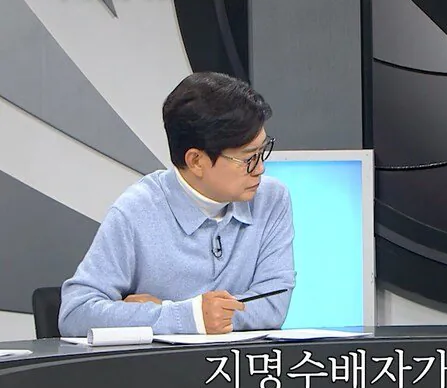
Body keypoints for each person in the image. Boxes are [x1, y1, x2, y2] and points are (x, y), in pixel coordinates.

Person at [58, 72, 297, 337]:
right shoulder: (136, 210)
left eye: (263, 151)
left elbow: (273, 303)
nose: (260, 168)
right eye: (248, 159)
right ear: (196, 161)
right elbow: (75, 313)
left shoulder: (271, 199)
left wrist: (168, 311)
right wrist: (187, 317)